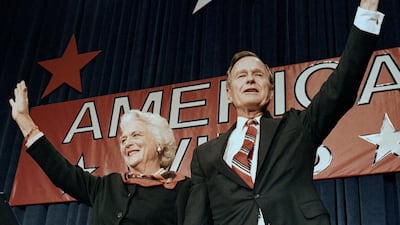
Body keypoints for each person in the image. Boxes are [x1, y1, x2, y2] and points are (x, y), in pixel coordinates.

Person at [184, 0, 384, 224]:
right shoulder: (204, 155)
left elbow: (340, 89)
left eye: (258, 74)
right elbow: (196, 217)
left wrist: (367, 12)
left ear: (270, 92)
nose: (250, 78)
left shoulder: (297, 128)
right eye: (242, 75)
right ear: (229, 93)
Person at [9, 82, 191, 225]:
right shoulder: (107, 187)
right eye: (124, 139)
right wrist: (25, 121)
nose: (128, 143)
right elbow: (61, 172)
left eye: (136, 135)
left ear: (159, 144)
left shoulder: (182, 189)